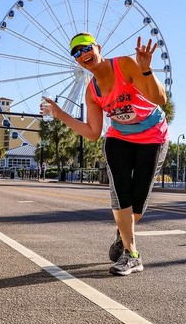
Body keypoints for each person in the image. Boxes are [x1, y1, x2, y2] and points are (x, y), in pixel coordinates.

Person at [41, 33, 168, 276]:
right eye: (76, 53)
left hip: (153, 136)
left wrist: (146, 71)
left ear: (98, 48)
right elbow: (92, 133)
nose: (82, 55)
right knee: (121, 195)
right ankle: (132, 254)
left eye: (86, 48)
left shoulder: (126, 65)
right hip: (119, 139)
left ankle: (123, 233)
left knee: (138, 201)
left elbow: (159, 98)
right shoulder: (92, 91)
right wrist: (59, 114)